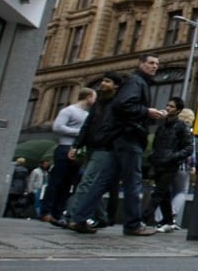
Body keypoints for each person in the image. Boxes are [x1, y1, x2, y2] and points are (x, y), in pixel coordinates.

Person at [69, 58, 163, 237]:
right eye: (151, 63)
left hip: (119, 138)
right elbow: (123, 105)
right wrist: (147, 112)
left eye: (157, 64)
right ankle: (133, 225)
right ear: (141, 64)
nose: (154, 66)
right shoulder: (137, 81)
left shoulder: (135, 82)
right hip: (129, 138)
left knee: (102, 181)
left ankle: (79, 218)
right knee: (133, 181)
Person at [65, 72, 123, 230]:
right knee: (93, 184)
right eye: (103, 81)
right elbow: (87, 125)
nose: (103, 84)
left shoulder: (118, 103)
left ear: (116, 85)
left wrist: (108, 139)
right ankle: (102, 217)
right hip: (91, 146)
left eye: (107, 81)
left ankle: (74, 217)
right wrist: (76, 145)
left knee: (87, 182)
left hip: (105, 148)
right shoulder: (99, 103)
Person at [39, 88, 96, 225]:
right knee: (56, 181)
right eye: (94, 97)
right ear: (88, 97)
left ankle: (57, 213)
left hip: (78, 150)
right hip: (64, 147)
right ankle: (46, 212)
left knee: (67, 184)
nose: (95, 101)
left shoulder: (87, 114)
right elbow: (57, 127)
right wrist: (79, 133)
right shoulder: (69, 111)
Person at [143, 96, 193, 232]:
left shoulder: (181, 126)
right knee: (164, 194)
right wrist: (153, 156)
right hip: (159, 163)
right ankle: (168, 221)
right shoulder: (162, 125)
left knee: (158, 192)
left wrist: (174, 157)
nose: (167, 108)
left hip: (171, 165)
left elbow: (189, 148)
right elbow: (156, 143)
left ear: (178, 110)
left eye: (171, 106)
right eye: (167, 105)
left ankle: (143, 219)